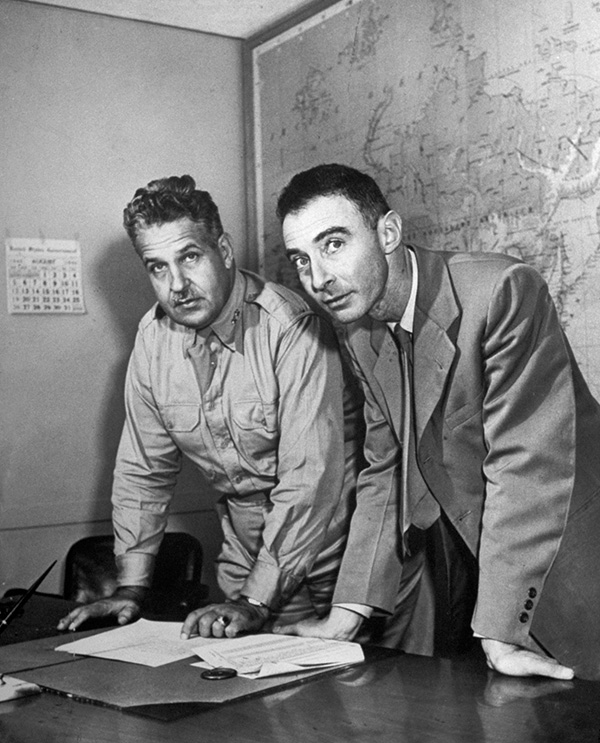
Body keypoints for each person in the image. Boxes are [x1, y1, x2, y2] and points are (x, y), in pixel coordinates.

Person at [275, 162, 600, 680]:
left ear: (387, 232)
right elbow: (385, 468)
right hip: (475, 560)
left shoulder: (503, 291)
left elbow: (527, 469)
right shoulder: (357, 329)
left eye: (333, 244)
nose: (317, 279)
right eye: (301, 258)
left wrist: (498, 632)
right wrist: (345, 615)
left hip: (570, 550)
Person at [58, 174, 367, 639]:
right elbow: (144, 471)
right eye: (157, 267)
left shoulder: (292, 328)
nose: (177, 285)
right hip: (248, 552)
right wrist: (132, 588)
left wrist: (256, 599)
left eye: (189, 257)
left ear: (222, 251)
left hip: (341, 550)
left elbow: (310, 481)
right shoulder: (152, 343)